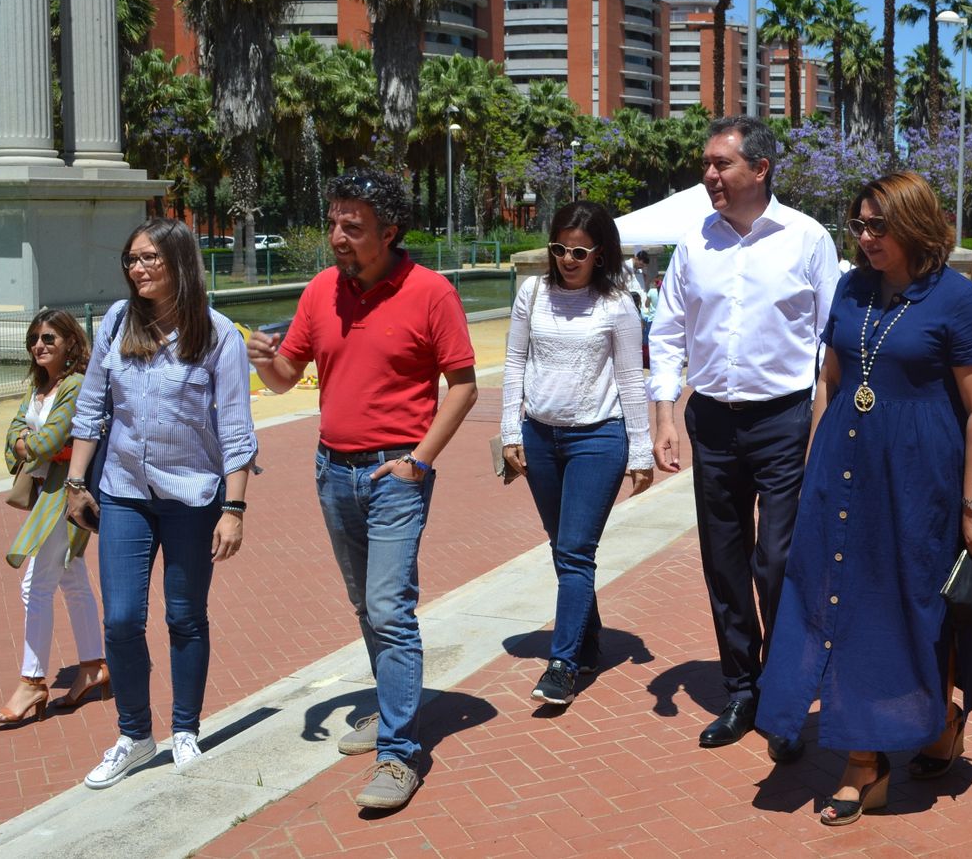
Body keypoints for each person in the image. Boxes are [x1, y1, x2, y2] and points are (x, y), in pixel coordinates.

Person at [756, 172, 972, 826]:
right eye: (858, 226)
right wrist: (814, 465)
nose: (864, 239)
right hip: (843, 468)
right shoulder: (852, 288)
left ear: (916, 226)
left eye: (878, 227)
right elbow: (831, 383)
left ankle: (942, 718)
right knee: (845, 606)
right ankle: (864, 765)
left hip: (920, 479)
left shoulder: (959, 302)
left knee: (915, 612)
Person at [246, 169, 478, 811]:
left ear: (390, 231)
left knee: (388, 607)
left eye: (353, 226)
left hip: (394, 474)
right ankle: (389, 706)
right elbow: (289, 375)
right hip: (332, 470)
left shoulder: (431, 293)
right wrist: (264, 357)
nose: (337, 237)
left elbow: (463, 385)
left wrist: (419, 461)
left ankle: (400, 754)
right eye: (334, 223)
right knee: (363, 603)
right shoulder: (322, 289)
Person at [648, 115, 841, 761]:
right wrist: (664, 413)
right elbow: (669, 329)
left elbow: (829, 334)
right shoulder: (694, 243)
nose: (709, 176)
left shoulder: (807, 238)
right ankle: (743, 689)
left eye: (721, 164)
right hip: (712, 421)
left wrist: (823, 416)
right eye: (706, 164)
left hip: (783, 421)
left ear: (760, 169)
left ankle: (786, 692)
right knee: (724, 561)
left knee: (778, 562)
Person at [64, 218, 257, 788]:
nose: (138, 269)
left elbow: (237, 432)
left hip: (193, 498)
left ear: (180, 263)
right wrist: (77, 483)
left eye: (150, 258)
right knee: (120, 619)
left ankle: (185, 729)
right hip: (122, 491)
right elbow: (92, 406)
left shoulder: (219, 336)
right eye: (131, 260)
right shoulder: (118, 323)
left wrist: (235, 509)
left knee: (184, 616)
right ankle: (134, 735)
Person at [501, 201, 655, 706]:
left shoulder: (617, 305)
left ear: (600, 254)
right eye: (560, 248)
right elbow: (514, 364)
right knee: (562, 548)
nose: (569, 259)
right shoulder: (532, 294)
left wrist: (641, 452)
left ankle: (562, 663)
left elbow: (633, 380)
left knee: (574, 552)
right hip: (540, 438)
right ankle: (588, 641)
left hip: (599, 440)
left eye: (580, 251)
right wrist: (510, 433)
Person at [0, 310, 106, 725]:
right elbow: (13, 438)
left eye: (49, 338)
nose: (40, 345)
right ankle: (93, 665)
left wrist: (29, 444)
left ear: (70, 344)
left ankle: (33, 681)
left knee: (34, 586)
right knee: (72, 577)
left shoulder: (74, 386)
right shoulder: (40, 387)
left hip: (64, 494)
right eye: (35, 338)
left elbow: (49, 439)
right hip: (45, 492)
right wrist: (27, 444)